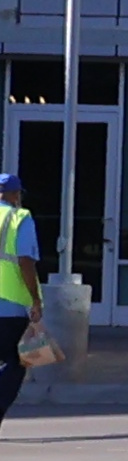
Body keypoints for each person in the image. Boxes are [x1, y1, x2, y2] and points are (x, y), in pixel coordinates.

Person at [0, 177, 39, 430]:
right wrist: (35, 299)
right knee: (15, 362)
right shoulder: (19, 218)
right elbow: (25, 260)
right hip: (9, 306)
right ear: (15, 194)